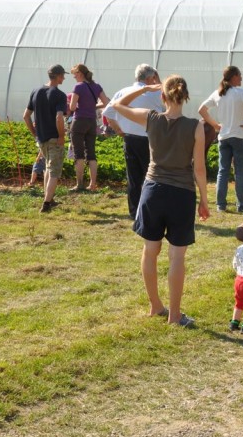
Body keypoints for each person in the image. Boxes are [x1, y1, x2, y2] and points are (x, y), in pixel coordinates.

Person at [108, 75, 210, 328]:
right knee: (177, 257)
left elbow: (117, 105)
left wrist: (144, 89)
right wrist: (204, 201)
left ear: (162, 96)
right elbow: (199, 169)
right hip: (181, 194)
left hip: (152, 191)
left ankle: (155, 305)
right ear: (185, 97)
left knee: (150, 250)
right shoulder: (196, 127)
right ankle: (174, 315)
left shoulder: (150, 118)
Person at [103, 64, 164, 220]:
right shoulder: (156, 93)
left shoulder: (123, 92)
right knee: (152, 176)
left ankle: (134, 211)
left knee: (133, 177)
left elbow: (107, 112)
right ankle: (151, 209)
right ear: (151, 78)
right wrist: (158, 81)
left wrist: (118, 129)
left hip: (130, 138)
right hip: (150, 139)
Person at [199, 66, 243, 214]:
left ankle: (220, 205)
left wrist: (215, 125)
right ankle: (241, 205)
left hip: (224, 137)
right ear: (233, 77)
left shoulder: (218, 93)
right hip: (239, 136)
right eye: (240, 75)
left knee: (223, 171)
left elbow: (201, 110)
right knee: (240, 172)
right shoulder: (241, 93)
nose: (241, 78)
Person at [24, 64, 68, 214]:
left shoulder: (36, 91)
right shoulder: (60, 95)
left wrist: (35, 133)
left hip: (41, 138)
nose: (64, 78)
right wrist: (61, 135)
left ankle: (49, 198)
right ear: (58, 76)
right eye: (63, 75)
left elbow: (26, 116)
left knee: (48, 168)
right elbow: (59, 117)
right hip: (54, 138)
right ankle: (47, 204)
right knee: (54, 171)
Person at [67, 63, 111, 192]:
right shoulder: (96, 86)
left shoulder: (78, 87)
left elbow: (72, 107)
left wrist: (78, 106)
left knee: (78, 153)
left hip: (79, 121)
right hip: (92, 122)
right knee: (91, 153)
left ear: (80, 73)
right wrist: (93, 107)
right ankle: (92, 185)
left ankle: (79, 184)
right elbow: (106, 103)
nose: (74, 77)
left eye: (75, 74)